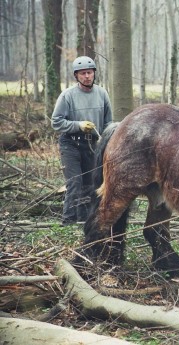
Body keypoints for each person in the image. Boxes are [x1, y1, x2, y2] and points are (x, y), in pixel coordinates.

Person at [51, 56, 112, 225]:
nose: (87, 76)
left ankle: (85, 220)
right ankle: (68, 221)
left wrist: (105, 141)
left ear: (94, 73)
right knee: (75, 182)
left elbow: (108, 123)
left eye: (90, 72)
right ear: (76, 76)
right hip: (70, 144)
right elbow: (56, 122)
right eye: (83, 73)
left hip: (93, 145)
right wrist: (78, 125)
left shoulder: (102, 94)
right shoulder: (67, 96)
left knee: (91, 183)